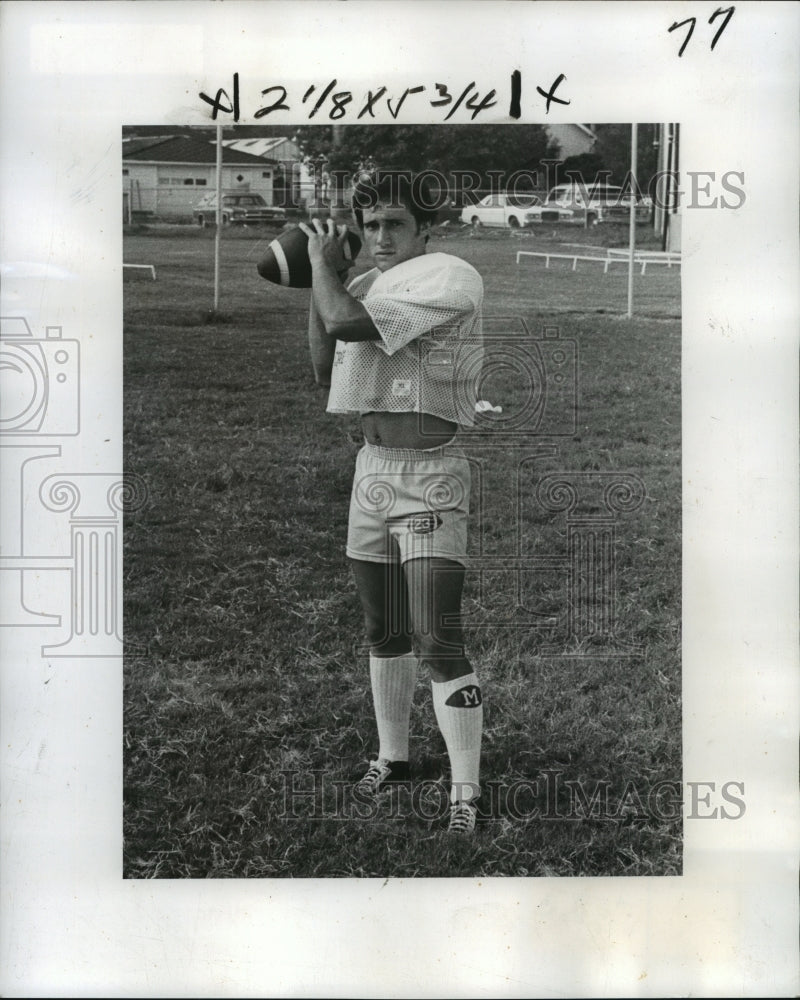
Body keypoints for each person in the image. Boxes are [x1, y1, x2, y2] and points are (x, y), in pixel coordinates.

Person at [298, 172, 484, 834]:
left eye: (395, 224)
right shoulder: (369, 285)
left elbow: (347, 325)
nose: (380, 236)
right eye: (370, 224)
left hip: (431, 473)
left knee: (437, 635)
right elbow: (324, 365)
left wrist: (322, 271)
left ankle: (466, 788)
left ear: (424, 229)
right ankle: (394, 757)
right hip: (372, 470)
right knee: (385, 629)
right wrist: (317, 283)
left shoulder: (448, 273)